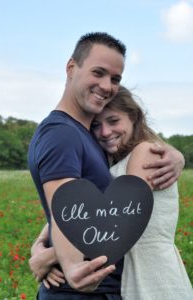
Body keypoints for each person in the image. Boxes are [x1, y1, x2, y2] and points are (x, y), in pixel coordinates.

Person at [28, 32, 185, 299]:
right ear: (71, 67)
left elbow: (98, 208)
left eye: (115, 78)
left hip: (130, 280)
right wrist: (47, 250)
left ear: (134, 118)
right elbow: (68, 208)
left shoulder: (88, 139)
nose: (106, 85)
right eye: (98, 72)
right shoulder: (63, 134)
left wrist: (48, 253)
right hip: (83, 290)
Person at [91, 85, 193, 300]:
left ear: (134, 117)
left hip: (153, 274)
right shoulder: (114, 160)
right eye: (96, 125)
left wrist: (57, 255)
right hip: (134, 270)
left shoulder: (145, 151)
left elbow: (124, 218)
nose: (105, 132)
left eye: (113, 121)